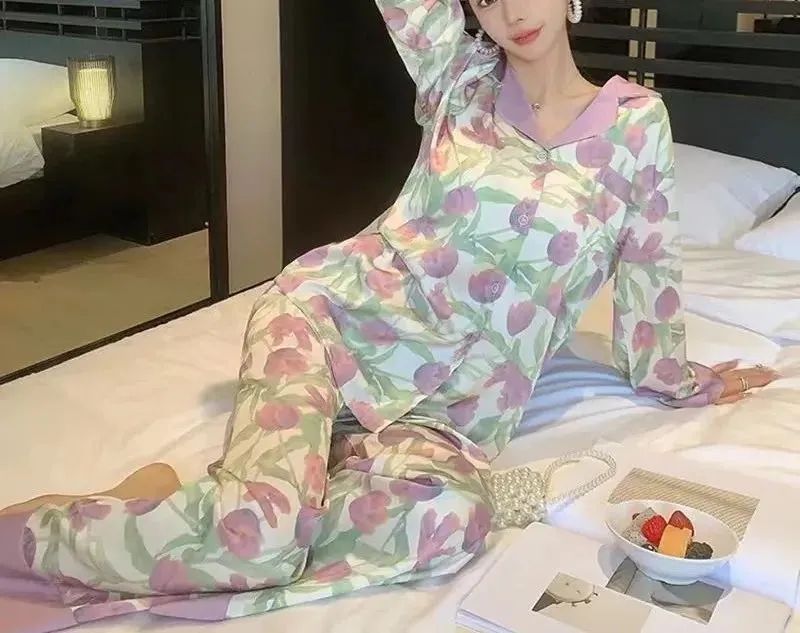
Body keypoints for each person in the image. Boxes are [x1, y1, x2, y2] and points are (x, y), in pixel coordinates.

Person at [0, 0, 779, 629]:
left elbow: (649, 277)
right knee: (264, 539)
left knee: (454, 518)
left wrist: (678, 378)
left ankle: (182, 510)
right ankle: (36, 537)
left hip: (447, 416)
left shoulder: (638, 127)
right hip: (327, 325)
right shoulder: (457, 77)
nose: (511, 12)